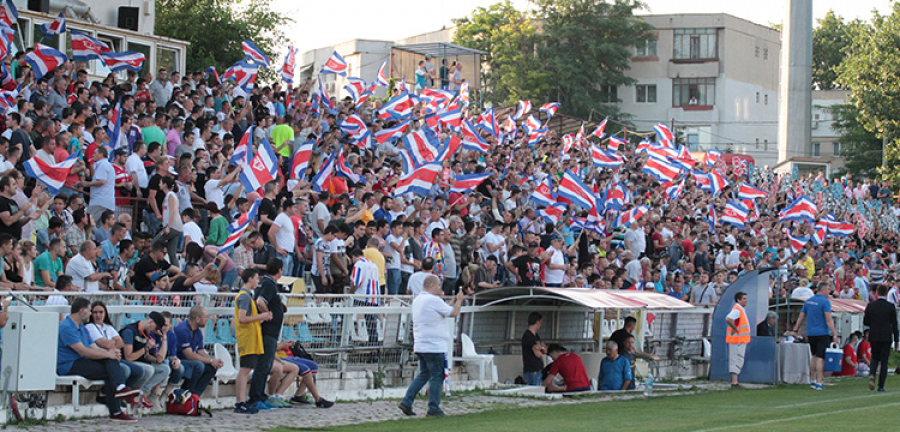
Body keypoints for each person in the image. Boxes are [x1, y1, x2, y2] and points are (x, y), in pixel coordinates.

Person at [57, 297, 139, 422]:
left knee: (110, 361)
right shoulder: (67, 327)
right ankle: (117, 406)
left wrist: (110, 353)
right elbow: (83, 351)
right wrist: (108, 354)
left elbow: (93, 347)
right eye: (90, 311)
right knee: (111, 370)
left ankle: (120, 391)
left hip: (82, 360)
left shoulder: (82, 327)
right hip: (68, 365)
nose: (91, 314)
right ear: (82, 311)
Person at [398, 275, 464, 417]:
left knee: (424, 375)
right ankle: (433, 407)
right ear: (432, 285)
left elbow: (445, 309)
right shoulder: (433, 300)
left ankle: (407, 401)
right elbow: (453, 313)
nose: (440, 288)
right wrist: (459, 301)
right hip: (434, 345)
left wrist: (453, 301)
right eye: (439, 285)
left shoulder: (419, 299)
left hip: (422, 344)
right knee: (437, 375)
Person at [233, 269, 272, 414]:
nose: (258, 281)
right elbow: (242, 319)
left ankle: (241, 401)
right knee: (244, 370)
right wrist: (261, 315)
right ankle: (240, 402)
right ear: (250, 279)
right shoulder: (244, 297)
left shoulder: (248, 296)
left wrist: (261, 318)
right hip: (247, 338)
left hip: (251, 337)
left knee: (247, 369)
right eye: (256, 278)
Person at [249, 259, 286, 411]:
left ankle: (261, 395)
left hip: (269, 332)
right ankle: (255, 397)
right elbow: (260, 301)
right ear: (279, 270)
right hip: (267, 332)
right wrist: (267, 314)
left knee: (265, 365)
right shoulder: (269, 284)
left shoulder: (267, 284)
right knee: (263, 365)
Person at [791, 283, 838, 391]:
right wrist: (834, 332)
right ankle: (819, 381)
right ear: (824, 290)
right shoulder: (825, 302)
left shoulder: (808, 301)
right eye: (828, 290)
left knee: (814, 356)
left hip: (811, 332)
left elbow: (801, 316)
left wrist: (795, 328)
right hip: (822, 332)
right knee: (820, 358)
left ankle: (812, 380)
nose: (829, 292)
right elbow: (828, 318)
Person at [174, 305, 222, 397]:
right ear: (197, 319)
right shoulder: (182, 329)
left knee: (211, 368)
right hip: (177, 361)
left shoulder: (198, 332)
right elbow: (189, 355)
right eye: (205, 317)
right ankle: (186, 392)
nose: (207, 319)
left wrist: (213, 361)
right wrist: (210, 361)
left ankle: (194, 396)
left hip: (188, 362)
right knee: (198, 365)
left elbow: (201, 351)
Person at [863, 284, 898, 391]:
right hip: (886, 336)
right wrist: (897, 340)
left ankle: (872, 374)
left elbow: (866, 321)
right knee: (884, 361)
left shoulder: (871, 306)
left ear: (877, 293)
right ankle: (881, 386)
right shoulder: (890, 307)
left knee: (874, 357)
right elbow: (894, 324)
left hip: (874, 335)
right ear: (886, 293)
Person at [725, 291, 751, 388]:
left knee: (738, 359)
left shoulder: (740, 309)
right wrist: (734, 328)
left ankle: (735, 381)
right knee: (736, 359)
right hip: (737, 339)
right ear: (738, 300)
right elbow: (728, 319)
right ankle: (734, 382)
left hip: (740, 339)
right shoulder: (737, 310)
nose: (746, 300)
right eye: (744, 299)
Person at [522, 311, 546, 386]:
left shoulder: (536, 335)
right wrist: (539, 348)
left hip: (538, 369)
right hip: (532, 370)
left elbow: (544, 350)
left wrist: (540, 347)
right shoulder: (528, 336)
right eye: (540, 322)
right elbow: (538, 354)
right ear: (537, 322)